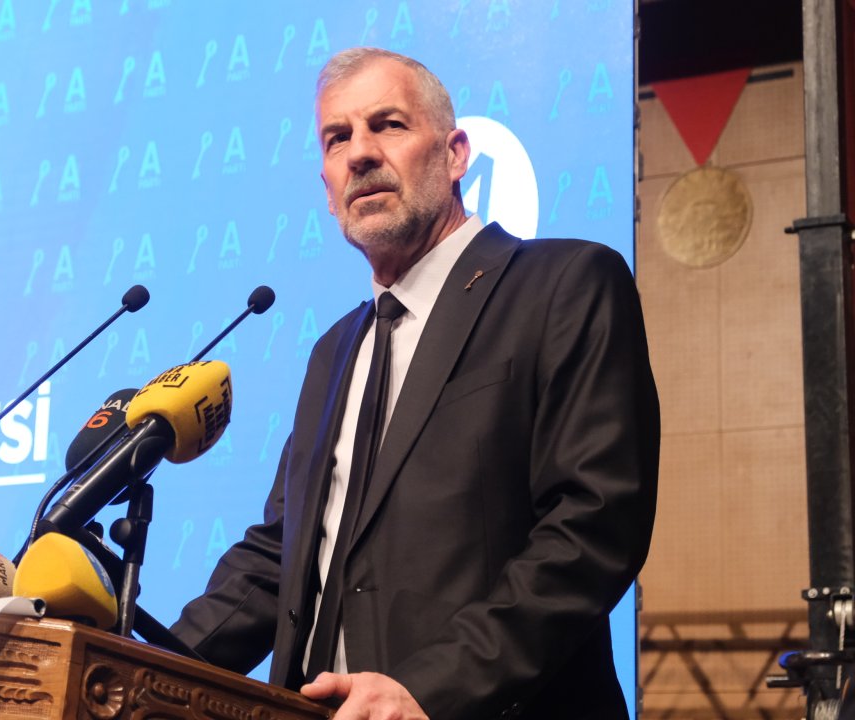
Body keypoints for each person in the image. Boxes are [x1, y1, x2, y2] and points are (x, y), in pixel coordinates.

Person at [170, 47, 659, 720]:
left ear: (456, 155)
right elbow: (280, 559)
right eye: (337, 138)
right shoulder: (333, 350)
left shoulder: (564, 285)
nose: (360, 154)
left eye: (388, 125)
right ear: (327, 188)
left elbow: (594, 526)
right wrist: (140, 658)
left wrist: (432, 688)